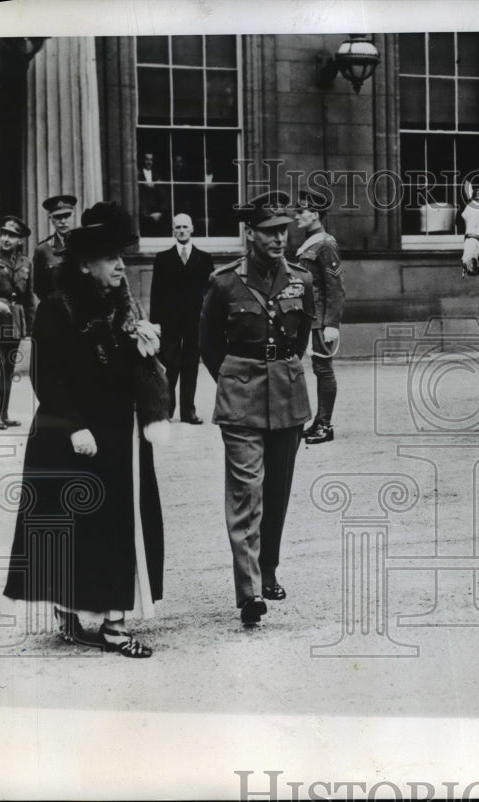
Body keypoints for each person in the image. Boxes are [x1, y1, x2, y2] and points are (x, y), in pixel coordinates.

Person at [3, 201, 170, 657]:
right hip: (70, 435)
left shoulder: (123, 305)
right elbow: (47, 376)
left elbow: (129, 371)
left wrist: (145, 351)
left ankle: (115, 623)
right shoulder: (57, 309)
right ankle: (71, 611)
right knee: (73, 526)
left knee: (118, 525)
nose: (121, 266)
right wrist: (75, 426)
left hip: (119, 434)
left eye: (121, 257)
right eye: (110, 259)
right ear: (84, 265)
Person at [200, 191, 314, 625]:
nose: (279, 239)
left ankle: (268, 569)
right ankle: (249, 592)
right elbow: (208, 344)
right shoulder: (225, 281)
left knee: (278, 489)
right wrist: (236, 379)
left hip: (286, 394)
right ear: (251, 234)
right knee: (247, 490)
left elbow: (300, 338)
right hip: (242, 396)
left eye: (283, 230)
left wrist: (278, 370)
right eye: (269, 232)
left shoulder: (300, 279)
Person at [150, 213, 215, 423]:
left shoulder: (204, 258)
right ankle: (166, 410)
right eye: (177, 227)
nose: (181, 231)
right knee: (170, 365)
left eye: (185, 227)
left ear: (192, 229)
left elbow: (211, 293)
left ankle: (188, 412)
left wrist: (210, 320)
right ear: (173, 231)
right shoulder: (162, 259)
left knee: (191, 366)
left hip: (195, 322)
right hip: (169, 322)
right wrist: (155, 323)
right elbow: (155, 293)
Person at [294, 191, 344, 444]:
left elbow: (335, 288)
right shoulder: (310, 243)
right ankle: (318, 421)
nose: (297, 215)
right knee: (318, 369)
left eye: (302, 211)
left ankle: (326, 425)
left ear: (315, 214)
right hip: (309, 318)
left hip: (321, 319)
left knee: (324, 369)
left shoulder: (326, 244)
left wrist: (331, 324)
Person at [0, 215, 37, 430]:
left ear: (20, 240)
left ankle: (4, 413)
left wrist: (29, 327)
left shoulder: (26, 262)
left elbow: (29, 297)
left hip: (16, 319)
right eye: (4, 234)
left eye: (11, 236)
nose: (6, 239)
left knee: (9, 367)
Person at [32, 194, 76, 301]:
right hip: (55, 310)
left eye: (67, 215)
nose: (63, 221)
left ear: (73, 215)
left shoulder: (83, 244)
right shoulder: (43, 249)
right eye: (58, 217)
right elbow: (39, 288)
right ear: (50, 218)